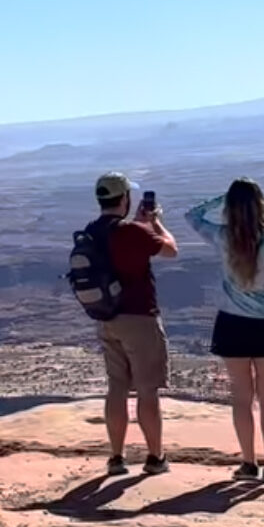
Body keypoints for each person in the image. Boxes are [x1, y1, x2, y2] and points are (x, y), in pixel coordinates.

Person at [186, 180, 264, 483]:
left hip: (233, 325)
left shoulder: (223, 237)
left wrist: (223, 198)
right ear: (262, 205)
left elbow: (192, 216)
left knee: (241, 399)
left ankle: (248, 463)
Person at [88, 173, 179, 477]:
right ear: (125, 199)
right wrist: (153, 223)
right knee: (146, 389)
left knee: (116, 387)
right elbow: (170, 250)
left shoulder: (92, 231)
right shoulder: (131, 231)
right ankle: (155, 457)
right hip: (139, 318)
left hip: (106, 319)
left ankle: (116, 457)